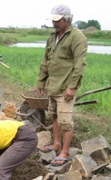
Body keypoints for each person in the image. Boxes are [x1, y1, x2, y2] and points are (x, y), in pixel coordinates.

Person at [37, 4, 87, 166]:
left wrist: (72, 87)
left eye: (58, 21)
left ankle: (65, 151)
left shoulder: (77, 37)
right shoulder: (52, 37)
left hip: (65, 87)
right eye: (53, 20)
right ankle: (56, 143)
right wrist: (41, 81)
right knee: (55, 116)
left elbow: (79, 64)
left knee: (66, 121)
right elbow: (46, 61)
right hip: (53, 85)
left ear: (67, 19)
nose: (54, 23)